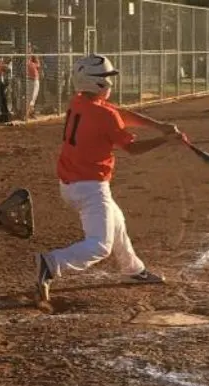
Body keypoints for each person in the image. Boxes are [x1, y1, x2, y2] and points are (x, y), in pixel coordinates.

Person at [35, 54, 182, 304]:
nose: (110, 82)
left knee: (117, 221)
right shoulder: (103, 114)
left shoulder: (78, 102)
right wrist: (165, 139)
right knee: (99, 246)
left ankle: (133, 269)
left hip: (72, 183)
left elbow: (118, 113)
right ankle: (51, 263)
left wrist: (159, 126)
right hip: (90, 187)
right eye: (106, 77)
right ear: (95, 82)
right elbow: (132, 148)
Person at [26, 43, 41, 119]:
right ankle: (28, 114)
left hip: (35, 80)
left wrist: (33, 62)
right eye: (27, 47)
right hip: (28, 80)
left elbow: (38, 65)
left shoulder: (33, 56)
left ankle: (30, 113)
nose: (29, 48)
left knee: (33, 98)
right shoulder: (25, 56)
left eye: (29, 47)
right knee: (29, 98)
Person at [0, 56, 11, 123]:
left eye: (1, 61)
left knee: (4, 101)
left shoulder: (4, 67)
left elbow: (8, 70)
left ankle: (4, 117)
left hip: (2, 86)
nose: (1, 63)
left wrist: (4, 67)